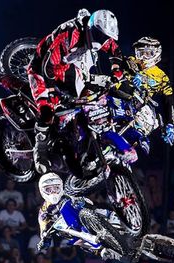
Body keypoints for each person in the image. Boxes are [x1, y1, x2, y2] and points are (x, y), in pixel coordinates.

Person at [27, 9, 123, 174]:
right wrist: (51, 92)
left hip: (67, 66)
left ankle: (78, 139)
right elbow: (47, 66)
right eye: (99, 36)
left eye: (104, 38)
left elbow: (115, 51)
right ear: (91, 27)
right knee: (47, 109)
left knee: (83, 100)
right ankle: (40, 147)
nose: (101, 41)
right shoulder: (70, 36)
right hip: (41, 67)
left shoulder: (99, 34)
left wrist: (116, 73)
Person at [37, 172, 122, 260]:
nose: (53, 192)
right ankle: (103, 251)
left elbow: (88, 201)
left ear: (61, 186)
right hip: (70, 230)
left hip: (83, 212)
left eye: (56, 188)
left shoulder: (68, 192)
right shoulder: (44, 210)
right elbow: (42, 225)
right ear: (42, 191)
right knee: (76, 242)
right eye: (49, 190)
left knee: (99, 211)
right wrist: (44, 238)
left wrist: (82, 202)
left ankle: (119, 219)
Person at [125, 36, 174, 150]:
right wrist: (135, 72)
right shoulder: (132, 60)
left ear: (156, 54)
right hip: (121, 97)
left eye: (148, 54)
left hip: (138, 108)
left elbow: (169, 101)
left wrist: (170, 124)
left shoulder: (161, 76)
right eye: (140, 53)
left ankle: (132, 145)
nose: (143, 57)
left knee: (149, 118)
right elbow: (127, 63)